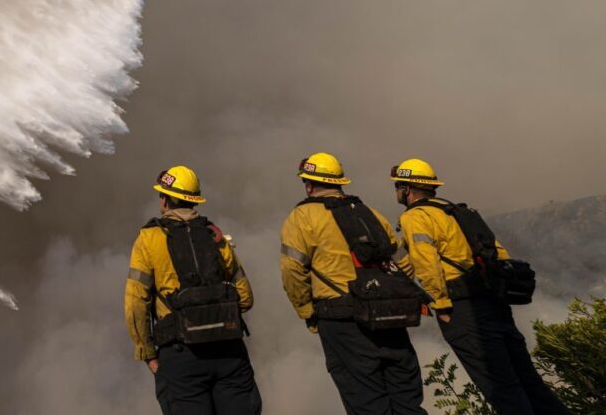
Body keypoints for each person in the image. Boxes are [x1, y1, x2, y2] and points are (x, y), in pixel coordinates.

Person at [391, 158, 569, 415]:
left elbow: (427, 265)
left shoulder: (415, 218)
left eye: (398, 185)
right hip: (494, 301)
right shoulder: (457, 212)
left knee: (503, 390)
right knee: (530, 383)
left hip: (463, 309)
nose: (396, 190)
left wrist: (441, 307)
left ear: (407, 189)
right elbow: (498, 252)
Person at [280, 152, 426, 415]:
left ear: (309, 185)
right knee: (406, 398)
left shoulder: (301, 217)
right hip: (387, 315)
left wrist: (307, 311)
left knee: (366, 400)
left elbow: (292, 269)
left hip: (341, 319)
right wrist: (392, 297)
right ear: (339, 183)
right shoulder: (368, 212)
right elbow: (404, 261)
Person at [125, 165, 261, 415]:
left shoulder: (148, 239)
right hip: (229, 351)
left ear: (165, 200)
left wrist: (148, 354)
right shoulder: (214, 236)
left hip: (180, 355)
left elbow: (136, 303)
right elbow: (245, 298)